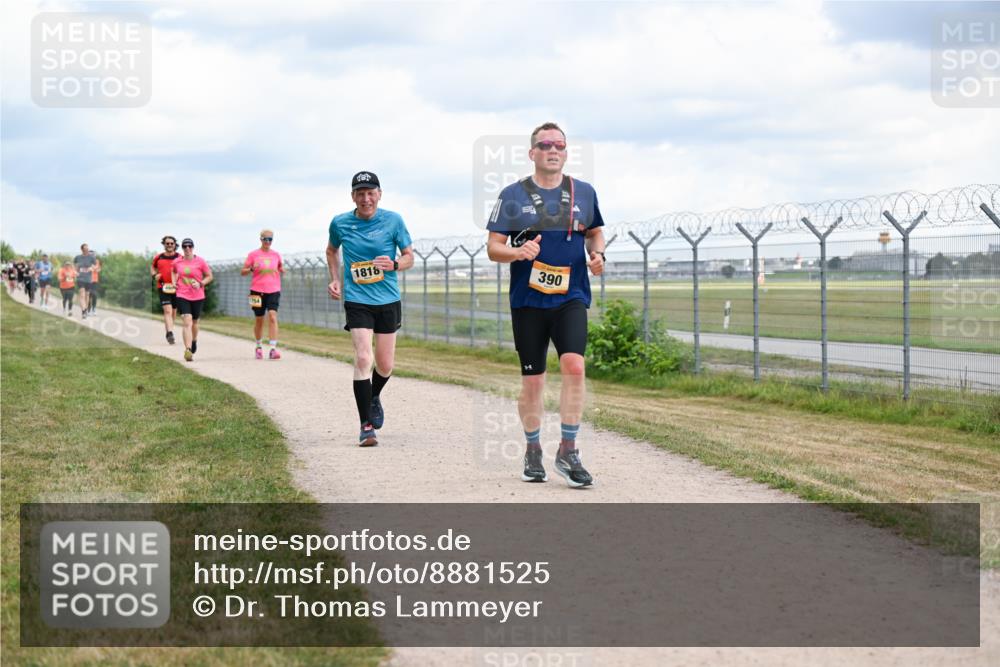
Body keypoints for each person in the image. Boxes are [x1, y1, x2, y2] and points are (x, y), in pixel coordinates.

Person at [486, 122, 606, 488]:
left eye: (559, 145)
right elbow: (493, 248)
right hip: (528, 301)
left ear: (566, 153)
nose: (553, 150)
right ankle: (533, 450)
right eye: (545, 145)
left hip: (570, 296)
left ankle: (568, 449)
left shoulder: (584, 192)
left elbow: (595, 231)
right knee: (534, 382)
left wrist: (597, 253)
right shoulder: (512, 195)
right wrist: (517, 251)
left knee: (574, 366)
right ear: (532, 153)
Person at [327, 171, 414, 447]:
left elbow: (410, 256)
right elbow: (331, 251)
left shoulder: (393, 220)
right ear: (353, 196)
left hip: (387, 300)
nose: (366, 199)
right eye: (360, 193)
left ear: (379, 194)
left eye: (370, 193)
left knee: (385, 365)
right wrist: (334, 278)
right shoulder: (340, 223)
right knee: (364, 358)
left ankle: (373, 395)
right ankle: (366, 425)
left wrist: (396, 264)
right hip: (357, 300)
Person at [241, 229, 285, 359]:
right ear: (260, 239)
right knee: (259, 319)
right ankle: (258, 346)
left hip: (274, 289)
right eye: (265, 239)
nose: (267, 242)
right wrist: (251, 268)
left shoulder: (276, 255)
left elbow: (280, 267)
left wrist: (283, 270)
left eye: (270, 239)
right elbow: (242, 271)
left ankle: (273, 349)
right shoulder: (253, 254)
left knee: (272, 316)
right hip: (256, 290)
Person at [171, 238, 213, 362]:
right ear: (182, 248)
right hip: (182, 294)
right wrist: (174, 282)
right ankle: (188, 350)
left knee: (195, 322)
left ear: (193, 247)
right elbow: (173, 272)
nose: (187, 248)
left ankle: (194, 341)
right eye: (185, 246)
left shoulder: (200, 261)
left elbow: (210, 276)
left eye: (190, 246)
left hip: (198, 295)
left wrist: (200, 283)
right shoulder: (177, 262)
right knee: (187, 321)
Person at [151, 236, 180, 344]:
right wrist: (155, 275)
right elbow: (152, 267)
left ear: (174, 245)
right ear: (164, 244)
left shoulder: (180, 258)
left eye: (171, 243)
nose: (169, 245)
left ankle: (169, 330)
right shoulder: (158, 257)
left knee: (173, 312)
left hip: (176, 287)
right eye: (167, 243)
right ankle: (170, 333)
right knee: (167, 310)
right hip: (163, 286)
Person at [73, 244, 97, 319]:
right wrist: (75, 272)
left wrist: (92, 268)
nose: (87, 250)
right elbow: (75, 266)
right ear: (82, 250)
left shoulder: (92, 257)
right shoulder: (78, 257)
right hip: (80, 279)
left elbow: (96, 266)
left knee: (87, 296)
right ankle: (83, 311)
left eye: (87, 249)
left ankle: (86, 310)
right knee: (82, 295)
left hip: (88, 279)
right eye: (85, 249)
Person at [86, 251, 101, 315]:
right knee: (89, 295)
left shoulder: (97, 261)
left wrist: (94, 268)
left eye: (93, 255)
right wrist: (93, 268)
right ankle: (88, 310)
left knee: (94, 295)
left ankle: (94, 309)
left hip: (95, 280)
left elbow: (98, 269)